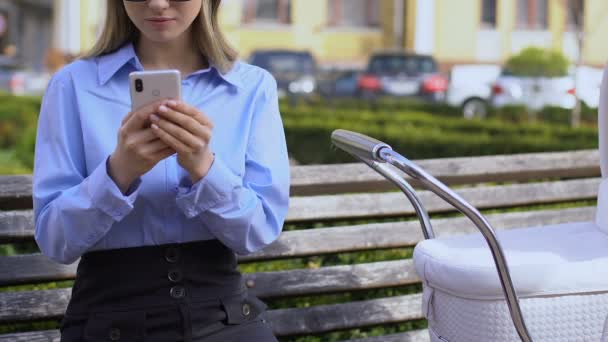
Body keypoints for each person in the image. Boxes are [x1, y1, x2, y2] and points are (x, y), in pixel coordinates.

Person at [32, 0, 290, 341]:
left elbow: (257, 233)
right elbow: (55, 240)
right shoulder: (72, 85)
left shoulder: (252, 87)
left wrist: (203, 168)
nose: (156, 3)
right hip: (109, 318)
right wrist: (118, 172)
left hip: (224, 315)